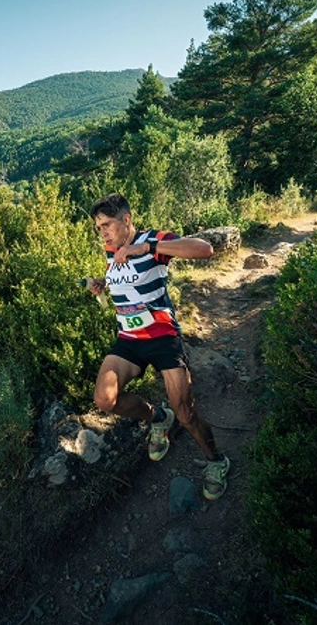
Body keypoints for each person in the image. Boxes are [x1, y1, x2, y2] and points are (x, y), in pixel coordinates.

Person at [84, 193, 231, 501]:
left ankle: (217, 461)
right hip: (129, 340)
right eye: (99, 227)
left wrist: (147, 247)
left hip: (163, 338)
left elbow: (205, 249)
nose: (104, 232)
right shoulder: (111, 249)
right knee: (104, 398)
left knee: (186, 414)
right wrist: (101, 283)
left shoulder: (153, 241)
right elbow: (126, 280)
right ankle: (156, 418)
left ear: (126, 220)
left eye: (107, 224)